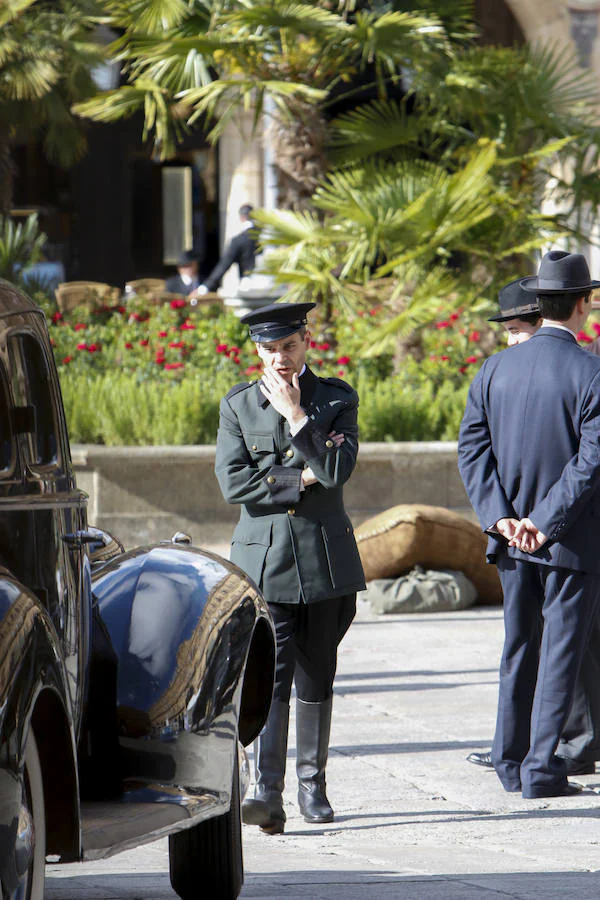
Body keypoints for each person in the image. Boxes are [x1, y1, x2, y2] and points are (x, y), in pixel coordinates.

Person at [215, 301, 365, 834]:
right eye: (270, 349)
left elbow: (338, 469)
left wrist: (299, 420)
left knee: (318, 672)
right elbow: (235, 486)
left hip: (325, 560)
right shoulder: (238, 406)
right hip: (266, 564)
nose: (280, 358)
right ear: (257, 350)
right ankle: (267, 791)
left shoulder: (335, 398)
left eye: (289, 346)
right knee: (270, 676)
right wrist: (300, 478)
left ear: (307, 341)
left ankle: (312, 786)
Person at [458, 250, 600, 799]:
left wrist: (504, 519)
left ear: (539, 305)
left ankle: (508, 759)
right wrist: (543, 524)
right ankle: (541, 769)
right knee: (561, 651)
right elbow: (590, 464)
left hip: (512, 540)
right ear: (583, 305)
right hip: (571, 540)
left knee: (518, 646)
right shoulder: (592, 372)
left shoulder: (493, 368)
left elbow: (473, 451)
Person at [194, 203, 258, 299]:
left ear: (242, 217)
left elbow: (224, 264)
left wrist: (205, 287)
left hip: (248, 287)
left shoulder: (239, 240)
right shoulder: (268, 236)